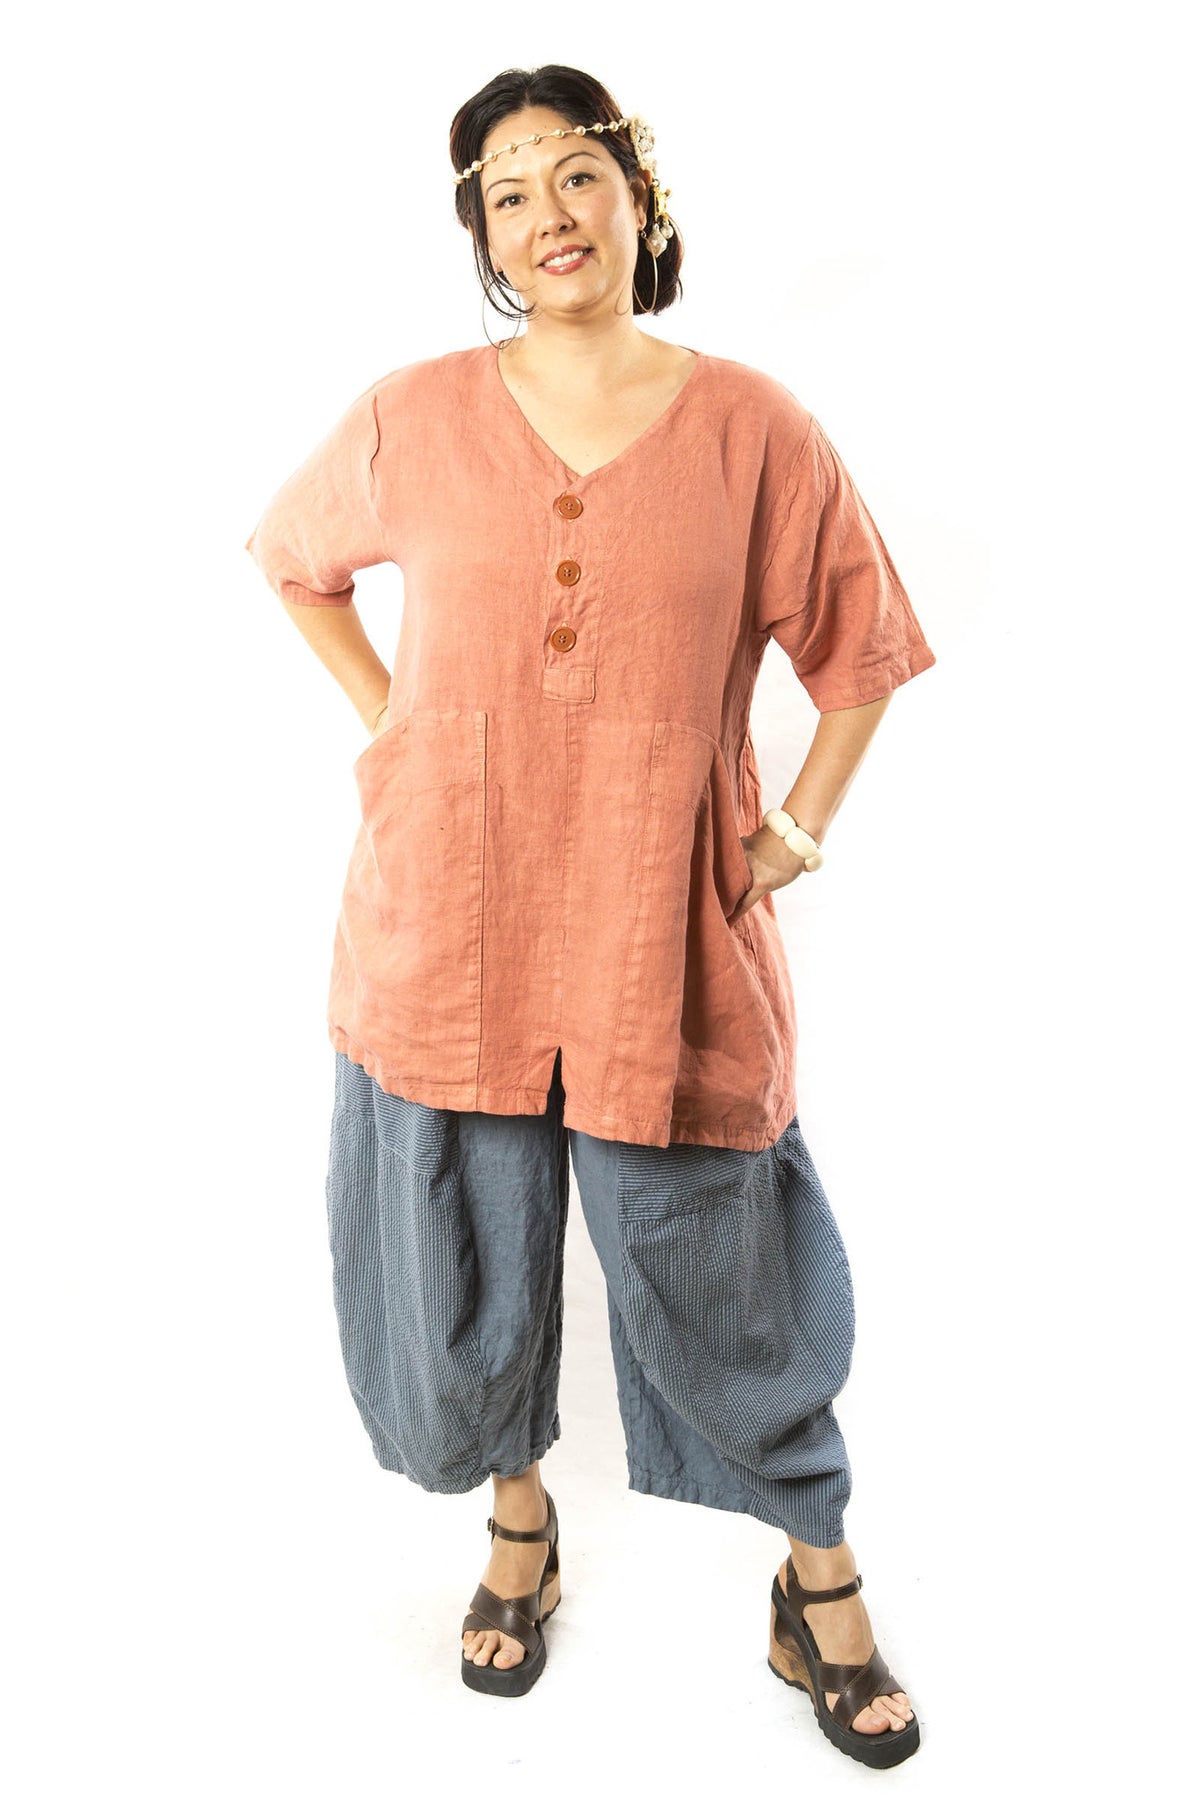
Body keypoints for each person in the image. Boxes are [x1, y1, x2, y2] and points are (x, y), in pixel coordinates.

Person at [244, 63, 935, 1769]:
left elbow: (861, 650)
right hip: (448, 918)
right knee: (463, 1247)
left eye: (573, 174)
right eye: (505, 193)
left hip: (660, 932)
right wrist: (397, 721)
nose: (545, 215)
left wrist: (794, 829)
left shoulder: (755, 426)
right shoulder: (410, 415)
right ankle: (519, 1529)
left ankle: (820, 1581)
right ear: (482, 238)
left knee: (724, 1263)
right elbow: (294, 561)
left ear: (637, 195)